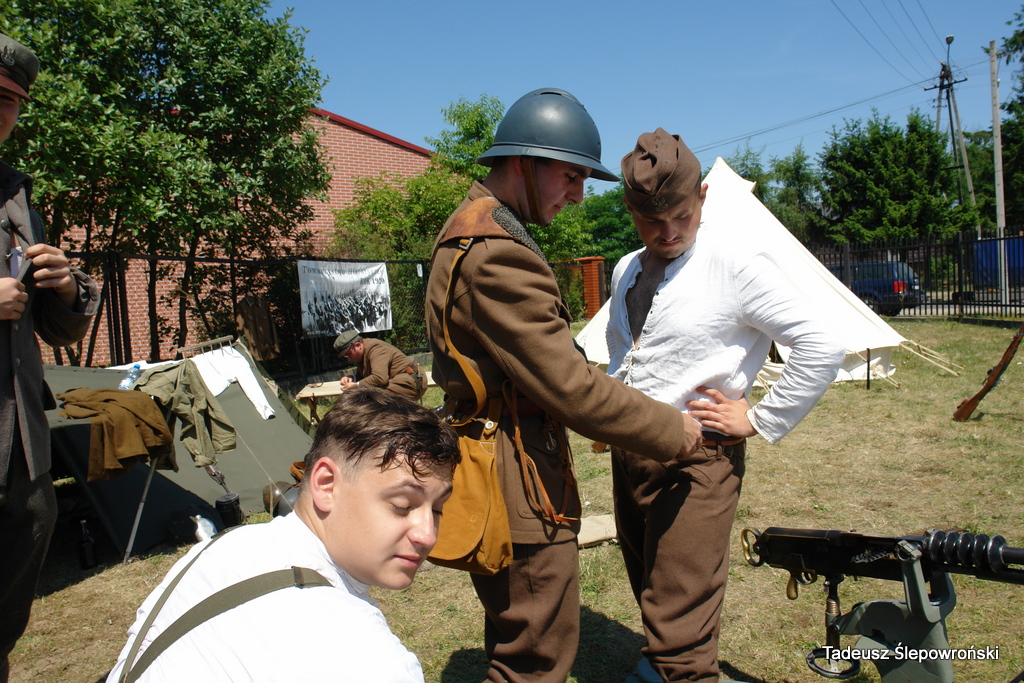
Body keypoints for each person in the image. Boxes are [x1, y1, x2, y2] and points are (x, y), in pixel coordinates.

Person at [424, 89, 703, 683]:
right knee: (533, 656)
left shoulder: (475, 228)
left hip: (505, 457)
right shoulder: (498, 253)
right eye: (570, 175)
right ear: (522, 162)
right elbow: (570, 386)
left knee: (519, 636)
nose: (578, 194)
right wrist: (671, 428)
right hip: (517, 477)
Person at [606, 129, 845, 682]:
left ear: (703, 197)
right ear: (631, 211)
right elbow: (622, 347)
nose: (669, 232)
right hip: (631, 452)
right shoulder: (625, 269)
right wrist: (614, 408)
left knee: (680, 602)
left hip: (698, 458)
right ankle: (662, 667)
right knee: (650, 582)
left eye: (682, 216)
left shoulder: (736, 264)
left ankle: (681, 672)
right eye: (652, 221)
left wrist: (759, 418)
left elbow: (821, 343)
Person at [107, 388, 460, 682]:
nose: (428, 535)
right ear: (326, 484)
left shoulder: (215, 550)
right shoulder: (372, 660)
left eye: (438, 509)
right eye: (402, 504)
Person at [0, 33, 100, 683]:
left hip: (20, 447)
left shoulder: (15, 195)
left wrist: (65, 287)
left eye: (10, 100)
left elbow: (53, 328)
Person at [335, 328, 426, 402]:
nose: (348, 358)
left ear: (358, 345)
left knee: (371, 398)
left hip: (412, 381)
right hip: (397, 380)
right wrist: (353, 378)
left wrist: (357, 385)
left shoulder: (375, 349)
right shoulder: (361, 354)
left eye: (348, 354)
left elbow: (380, 378)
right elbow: (366, 377)